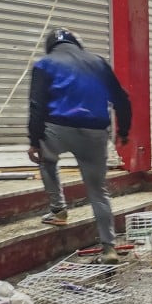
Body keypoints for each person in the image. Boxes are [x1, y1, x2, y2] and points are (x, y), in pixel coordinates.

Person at [28, 28, 131, 264]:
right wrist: (123, 131)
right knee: (98, 191)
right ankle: (109, 248)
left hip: (58, 129)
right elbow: (121, 99)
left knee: (47, 160)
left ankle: (58, 210)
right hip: (94, 133)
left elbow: (37, 105)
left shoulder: (44, 64)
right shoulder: (98, 62)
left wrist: (35, 142)